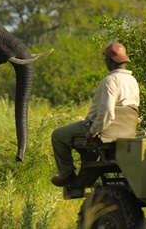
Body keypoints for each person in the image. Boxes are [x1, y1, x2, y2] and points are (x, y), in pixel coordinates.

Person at [50, 42, 140, 187]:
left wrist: (93, 131)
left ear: (110, 61)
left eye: (106, 60)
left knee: (58, 135)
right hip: (126, 133)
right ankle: (86, 169)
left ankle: (67, 175)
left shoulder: (110, 81)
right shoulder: (132, 81)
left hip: (103, 131)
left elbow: (107, 112)